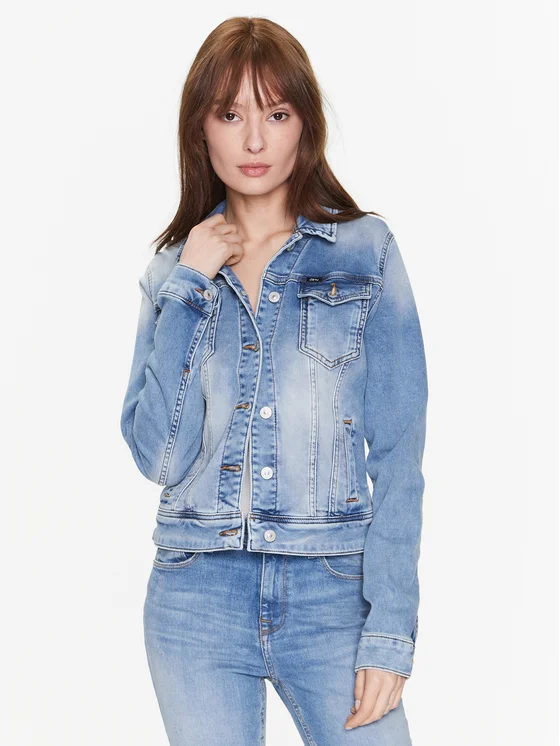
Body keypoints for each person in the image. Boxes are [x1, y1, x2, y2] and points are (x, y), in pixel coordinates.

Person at [120, 15, 428, 746]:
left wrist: (390, 628)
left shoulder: (365, 252)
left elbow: (399, 454)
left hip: (333, 592)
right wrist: (190, 284)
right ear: (201, 129)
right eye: (230, 116)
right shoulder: (172, 272)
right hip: (196, 595)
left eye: (277, 114)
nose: (254, 141)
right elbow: (157, 456)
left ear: (305, 125)